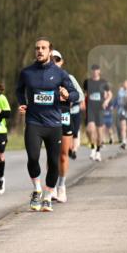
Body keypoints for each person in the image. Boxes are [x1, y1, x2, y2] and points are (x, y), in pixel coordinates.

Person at [15, 38, 79, 212]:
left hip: (54, 124)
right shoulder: (27, 72)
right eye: (37, 48)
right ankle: (37, 189)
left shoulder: (60, 73)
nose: (40, 51)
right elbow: (19, 90)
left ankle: (48, 196)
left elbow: (75, 94)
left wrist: (67, 95)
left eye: (43, 48)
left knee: (53, 162)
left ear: (50, 51)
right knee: (33, 157)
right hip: (34, 122)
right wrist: (23, 103)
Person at [51, 50, 84, 202]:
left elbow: (80, 95)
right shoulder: (43, 78)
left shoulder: (68, 77)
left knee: (63, 155)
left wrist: (68, 96)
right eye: (52, 59)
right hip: (49, 118)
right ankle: (51, 186)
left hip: (64, 116)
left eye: (57, 60)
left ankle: (61, 186)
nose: (54, 62)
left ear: (62, 62)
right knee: (52, 155)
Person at [82, 64, 112, 161]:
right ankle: (93, 148)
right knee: (90, 129)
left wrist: (106, 101)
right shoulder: (87, 82)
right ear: (91, 71)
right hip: (90, 108)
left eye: (96, 70)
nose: (95, 71)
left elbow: (110, 94)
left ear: (99, 71)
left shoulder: (103, 82)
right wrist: (83, 103)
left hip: (100, 108)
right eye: (93, 70)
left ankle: (98, 152)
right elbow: (84, 94)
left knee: (99, 132)